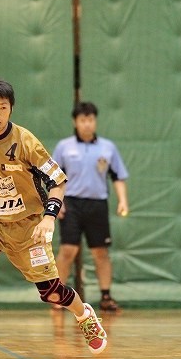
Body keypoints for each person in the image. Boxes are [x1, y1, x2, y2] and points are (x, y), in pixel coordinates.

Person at [0, 78, 107, 359]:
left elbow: (58, 181)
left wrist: (49, 217)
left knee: (50, 293)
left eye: (3, 107)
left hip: (28, 226)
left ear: (11, 109)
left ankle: (84, 315)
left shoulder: (25, 141)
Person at [52, 102, 129, 312]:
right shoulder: (64, 147)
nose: (87, 124)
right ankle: (57, 295)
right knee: (68, 250)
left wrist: (123, 200)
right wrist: (56, 203)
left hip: (97, 205)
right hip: (71, 204)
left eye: (91, 120)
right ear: (75, 122)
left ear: (95, 121)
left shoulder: (108, 147)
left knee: (100, 252)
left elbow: (118, 176)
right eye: (83, 120)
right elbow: (53, 179)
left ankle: (106, 296)